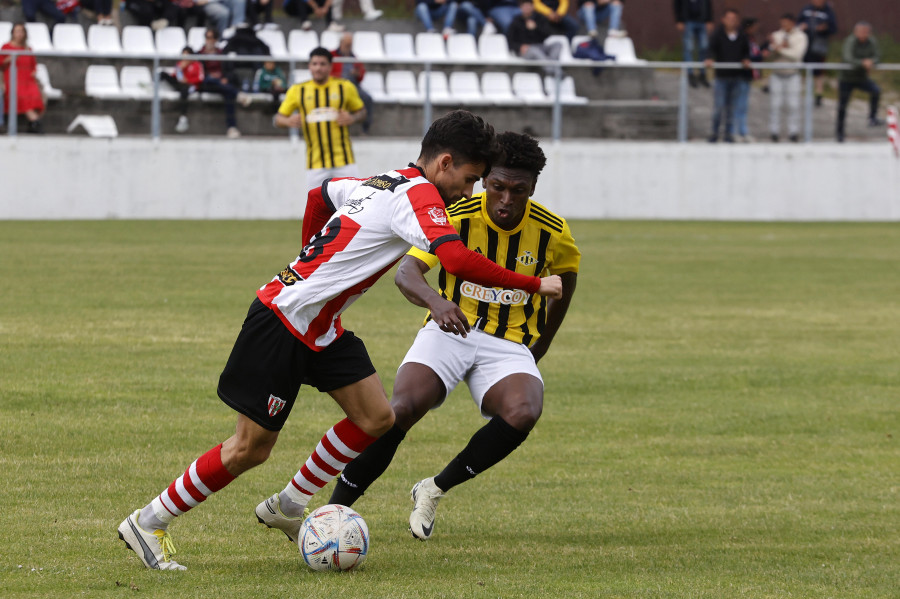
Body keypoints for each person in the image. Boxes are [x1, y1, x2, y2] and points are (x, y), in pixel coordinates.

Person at [117, 109, 564, 571]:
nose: (468, 191)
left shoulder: (385, 180)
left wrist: (310, 257)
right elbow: (456, 260)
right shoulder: (420, 196)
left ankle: (289, 506)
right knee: (250, 448)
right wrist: (534, 284)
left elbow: (320, 194)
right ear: (445, 162)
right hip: (283, 321)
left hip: (320, 326)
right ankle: (148, 521)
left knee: (377, 417)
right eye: (470, 179)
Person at [326, 132, 579, 541]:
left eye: (519, 191)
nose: (506, 200)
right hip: (448, 330)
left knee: (523, 412)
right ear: (484, 180)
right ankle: (334, 511)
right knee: (400, 409)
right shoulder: (456, 215)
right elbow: (407, 274)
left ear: (533, 189)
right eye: (497, 186)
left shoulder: (553, 231)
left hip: (508, 344)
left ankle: (433, 488)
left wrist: (541, 347)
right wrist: (435, 304)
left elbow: (565, 283)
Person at [275, 47, 366, 194]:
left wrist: (352, 117)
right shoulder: (298, 90)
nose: (318, 68)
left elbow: (362, 112)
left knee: (356, 205)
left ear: (330, 66)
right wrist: (288, 121)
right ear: (309, 66)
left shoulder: (345, 87)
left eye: (323, 64)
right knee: (318, 212)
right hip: (315, 163)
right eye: (314, 64)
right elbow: (278, 119)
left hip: (345, 160)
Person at [197, 28, 252, 138]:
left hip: (221, 83)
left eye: (211, 38)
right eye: (207, 38)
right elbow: (199, 72)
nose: (209, 41)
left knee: (228, 95)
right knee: (211, 80)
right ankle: (238, 94)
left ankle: (232, 128)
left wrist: (225, 78)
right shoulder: (199, 54)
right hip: (206, 83)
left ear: (216, 39)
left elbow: (229, 70)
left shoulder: (222, 54)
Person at [705, 8, 750, 143]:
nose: (731, 22)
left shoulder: (741, 35)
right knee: (719, 107)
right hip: (722, 76)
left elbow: (746, 51)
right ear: (723, 20)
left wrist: (746, 59)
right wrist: (710, 59)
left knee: (732, 107)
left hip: (736, 76)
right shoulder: (718, 34)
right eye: (729, 19)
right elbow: (711, 49)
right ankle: (715, 132)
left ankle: (728, 133)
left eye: (734, 19)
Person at [836, 22, 882, 143]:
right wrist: (862, 63)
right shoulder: (850, 41)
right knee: (842, 106)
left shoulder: (871, 42)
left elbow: (877, 56)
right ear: (855, 32)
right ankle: (839, 133)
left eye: (866, 32)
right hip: (846, 78)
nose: (863, 34)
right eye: (861, 32)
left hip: (862, 78)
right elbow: (847, 58)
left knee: (876, 91)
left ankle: (872, 117)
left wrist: (871, 61)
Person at [767, 13, 807, 143]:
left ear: (792, 22)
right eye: (782, 22)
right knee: (775, 104)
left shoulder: (800, 36)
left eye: (787, 22)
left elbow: (796, 54)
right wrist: (775, 50)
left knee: (793, 105)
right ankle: (774, 132)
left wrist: (780, 50)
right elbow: (770, 54)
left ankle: (793, 132)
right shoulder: (776, 35)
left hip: (793, 74)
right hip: (777, 74)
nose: (784, 25)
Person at [1, 23, 45, 134]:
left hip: (27, 79)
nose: (19, 34)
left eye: (22, 31)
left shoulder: (28, 49)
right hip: (12, 77)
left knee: (34, 93)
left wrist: (34, 72)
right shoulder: (6, 47)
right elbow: (1, 64)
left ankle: (33, 123)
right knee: (20, 93)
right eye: (17, 31)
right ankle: (34, 122)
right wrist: (12, 57)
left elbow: (33, 65)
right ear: (13, 33)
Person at [331, 33, 373, 134]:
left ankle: (365, 126)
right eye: (347, 44)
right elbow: (328, 72)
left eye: (350, 45)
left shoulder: (354, 58)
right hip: (336, 84)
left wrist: (358, 74)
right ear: (341, 43)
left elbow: (361, 76)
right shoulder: (332, 55)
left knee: (367, 98)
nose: (349, 47)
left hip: (353, 85)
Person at [797, 0, 837, 107]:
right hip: (804, 44)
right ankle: (798, 92)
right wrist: (802, 26)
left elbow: (833, 28)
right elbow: (797, 22)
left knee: (818, 71)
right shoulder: (806, 9)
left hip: (819, 46)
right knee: (799, 68)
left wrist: (824, 28)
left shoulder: (828, 12)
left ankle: (819, 95)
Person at [507, 0, 564, 73]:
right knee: (533, 50)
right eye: (524, 6)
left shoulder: (539, 18)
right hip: (526, 50)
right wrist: (520, 47)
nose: (526, 8)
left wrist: (536, 27)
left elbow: (547, 34)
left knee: (558, 44)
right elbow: (510, 40)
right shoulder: (516, 21)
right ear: (521, 8)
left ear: (533, 7)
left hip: (540, 46)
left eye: (528, 6)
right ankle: (553, 71)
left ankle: (552, 65)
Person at [159, 47, 205, 134]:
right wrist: (180, 68)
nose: (185, 57)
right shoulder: (180, 64)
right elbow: (175, 76)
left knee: (184, 92)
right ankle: (152, 86)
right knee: (162, 73)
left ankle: (183, 117)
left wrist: (188, 81)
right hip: (180, 84)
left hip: (191, 86)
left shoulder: (197, 64)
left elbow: (200, 78)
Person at [673, 0, 713, 88]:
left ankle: (702, 74)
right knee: (689, 48)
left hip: (702, 20)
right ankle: (690, 74)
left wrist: (709, 19)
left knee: (704, 47)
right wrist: (679, 20)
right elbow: (677, 4)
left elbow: (708, 3)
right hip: (688, 20)